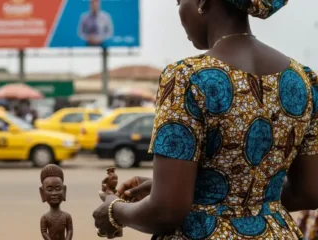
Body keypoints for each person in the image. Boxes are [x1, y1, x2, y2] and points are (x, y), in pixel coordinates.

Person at [92, 0, 318, 239]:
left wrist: (113, 210)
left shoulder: (187, 77)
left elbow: (166, 210)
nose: (178, 11)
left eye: (179, 1)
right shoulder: (303, 79)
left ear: (201, 2)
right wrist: (198, 189)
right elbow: (309, 192)